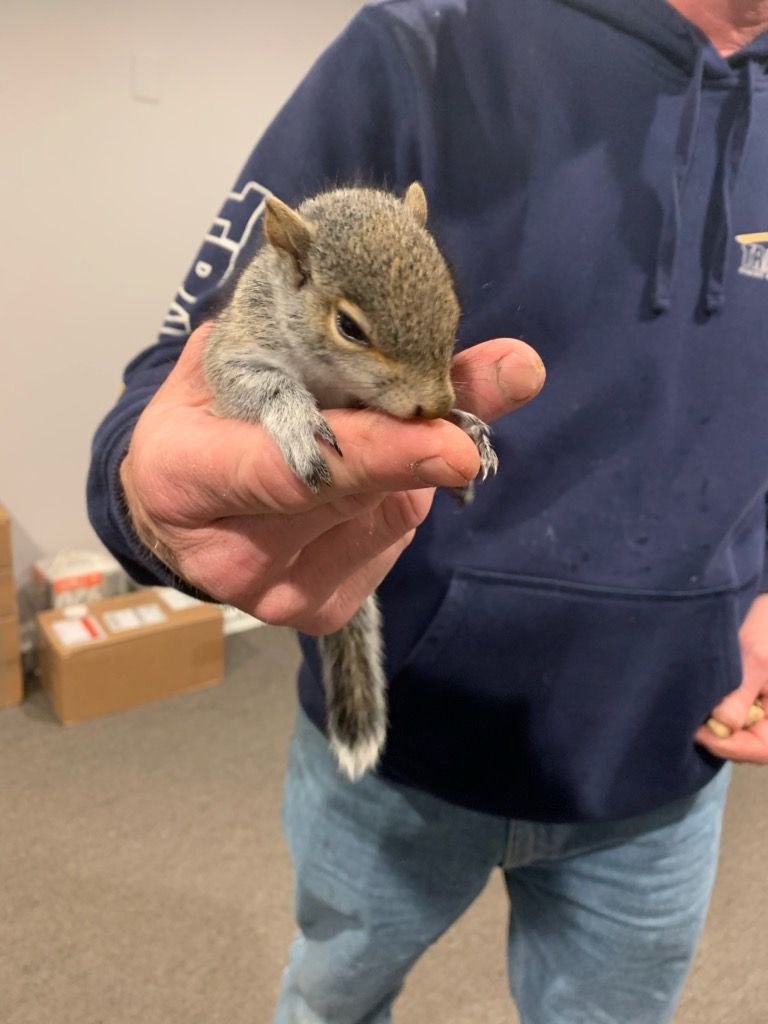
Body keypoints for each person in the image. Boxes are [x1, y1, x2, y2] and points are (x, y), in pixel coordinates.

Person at [87, 0, 768, 1020]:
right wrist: (144, 495)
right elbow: (177, 381)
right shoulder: (425, 41)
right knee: (332, 995)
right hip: (408, 732)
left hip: (669, 740)